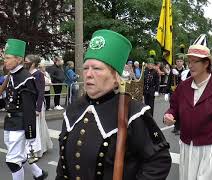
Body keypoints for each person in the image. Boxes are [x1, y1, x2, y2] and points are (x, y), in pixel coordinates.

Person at [55, 29, 171, 180]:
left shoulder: (134, 113)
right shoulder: (73, 110)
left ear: (116, 77)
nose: (88, 74)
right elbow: (62, 166)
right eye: (85, 68)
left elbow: (159, 161)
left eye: (97, 68)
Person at [163, 35, 212, 180]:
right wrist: (169, 115)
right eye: (189, 61)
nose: (190, 65)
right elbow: (174, 107)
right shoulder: (184, 86)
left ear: (206, 63)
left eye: (195, 61)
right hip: (188, 147)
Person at [3, 39, 47, 180]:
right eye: (4, 58)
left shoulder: (26, 78)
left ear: (19, 59)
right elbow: (8, 100)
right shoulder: (11, 75)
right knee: (19, 156)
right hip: (10, 122)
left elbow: (29, 109)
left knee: (12, 162)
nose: (5, 61)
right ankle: (39, 174)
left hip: (20, 124)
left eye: (8, 58)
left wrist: (30, 135)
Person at [24, 54, 53, 157]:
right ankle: (31, 148)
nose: (24, 63)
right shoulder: (26, 73)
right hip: (28, 104)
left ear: (32, 63)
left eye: (26, 61)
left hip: (37, 104)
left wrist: (38, 108)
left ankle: (37, 150)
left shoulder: (39, 74)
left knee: (36, 127)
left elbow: (41, 92)